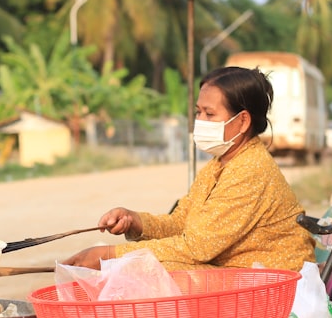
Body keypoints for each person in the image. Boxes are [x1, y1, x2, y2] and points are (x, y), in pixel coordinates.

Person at [63, 65, 316, 271]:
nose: (200, 122)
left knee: (156, 269)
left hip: (275, 283)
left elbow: (196, 248)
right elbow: (182, 223)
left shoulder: (252, 170)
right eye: (198, 112)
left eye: (209, 114)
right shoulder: (219, 165)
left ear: (242, 121)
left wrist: (110, 255)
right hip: (240, 274)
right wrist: (136, 222)